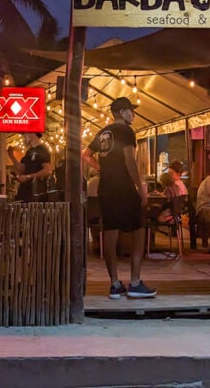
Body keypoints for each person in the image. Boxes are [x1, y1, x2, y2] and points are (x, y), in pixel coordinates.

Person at [82, 96, 156, 299]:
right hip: (124, 187)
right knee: (139, 231)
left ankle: (114, 284)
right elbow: (130, 161)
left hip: (105, 188)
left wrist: (102, 168)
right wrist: (140, 190)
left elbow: (85, 155)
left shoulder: (103, 133)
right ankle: (135, 282)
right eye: (131, 111)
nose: (133, 114)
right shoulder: (125, 131)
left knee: (110, 234)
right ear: (121, 112)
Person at [7, 132, 52, 202]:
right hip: (26, 192)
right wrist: (11, 156)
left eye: (25, 134)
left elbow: (47, 170)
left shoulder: (42, 150)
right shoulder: (29, 151)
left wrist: (28, 177)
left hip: (35, 192)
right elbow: (22, 168)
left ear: (32, 133)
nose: (24, 137)